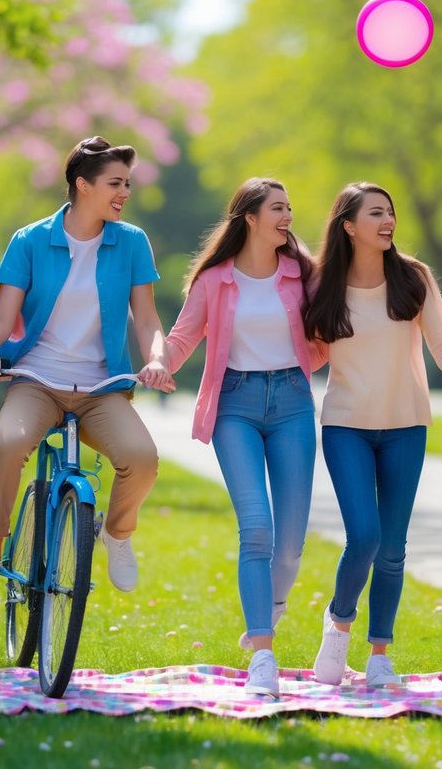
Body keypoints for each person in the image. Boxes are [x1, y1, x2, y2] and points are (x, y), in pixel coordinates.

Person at [0, 136, 173, 607]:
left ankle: (117, 534)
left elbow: (147, 317)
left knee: (141, 458)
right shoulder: (32, 239)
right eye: (115, 183)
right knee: (8, 444)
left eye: (127, 184)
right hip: (37, 379)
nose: (125, 193)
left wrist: (156, 358)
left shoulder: (132, 242)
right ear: (83, 185)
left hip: (101, 387)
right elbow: (2, 314)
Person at [305, 181, 442, 688]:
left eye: (390, 213)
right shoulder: (324, 285)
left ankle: (379, 653)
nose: (388, 221)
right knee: (363, 535)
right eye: (375, 213)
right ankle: (338, 628)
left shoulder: (414, 277)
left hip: (407, 425)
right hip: (345, 426)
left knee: (392, 546)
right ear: (348, 225)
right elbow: (305, 351)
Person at [161, 177, 324, 697]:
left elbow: (334, 327)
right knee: (256, 528)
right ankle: (262, 653)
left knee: (292, 542)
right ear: (250, 217)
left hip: (294, 402)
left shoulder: (305, 275)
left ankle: (269, 604)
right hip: (236, 405)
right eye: (278, 207)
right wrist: (159, 363)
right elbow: (184, 335)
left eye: (290, 207)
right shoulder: (215, 279)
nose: (288, 216)